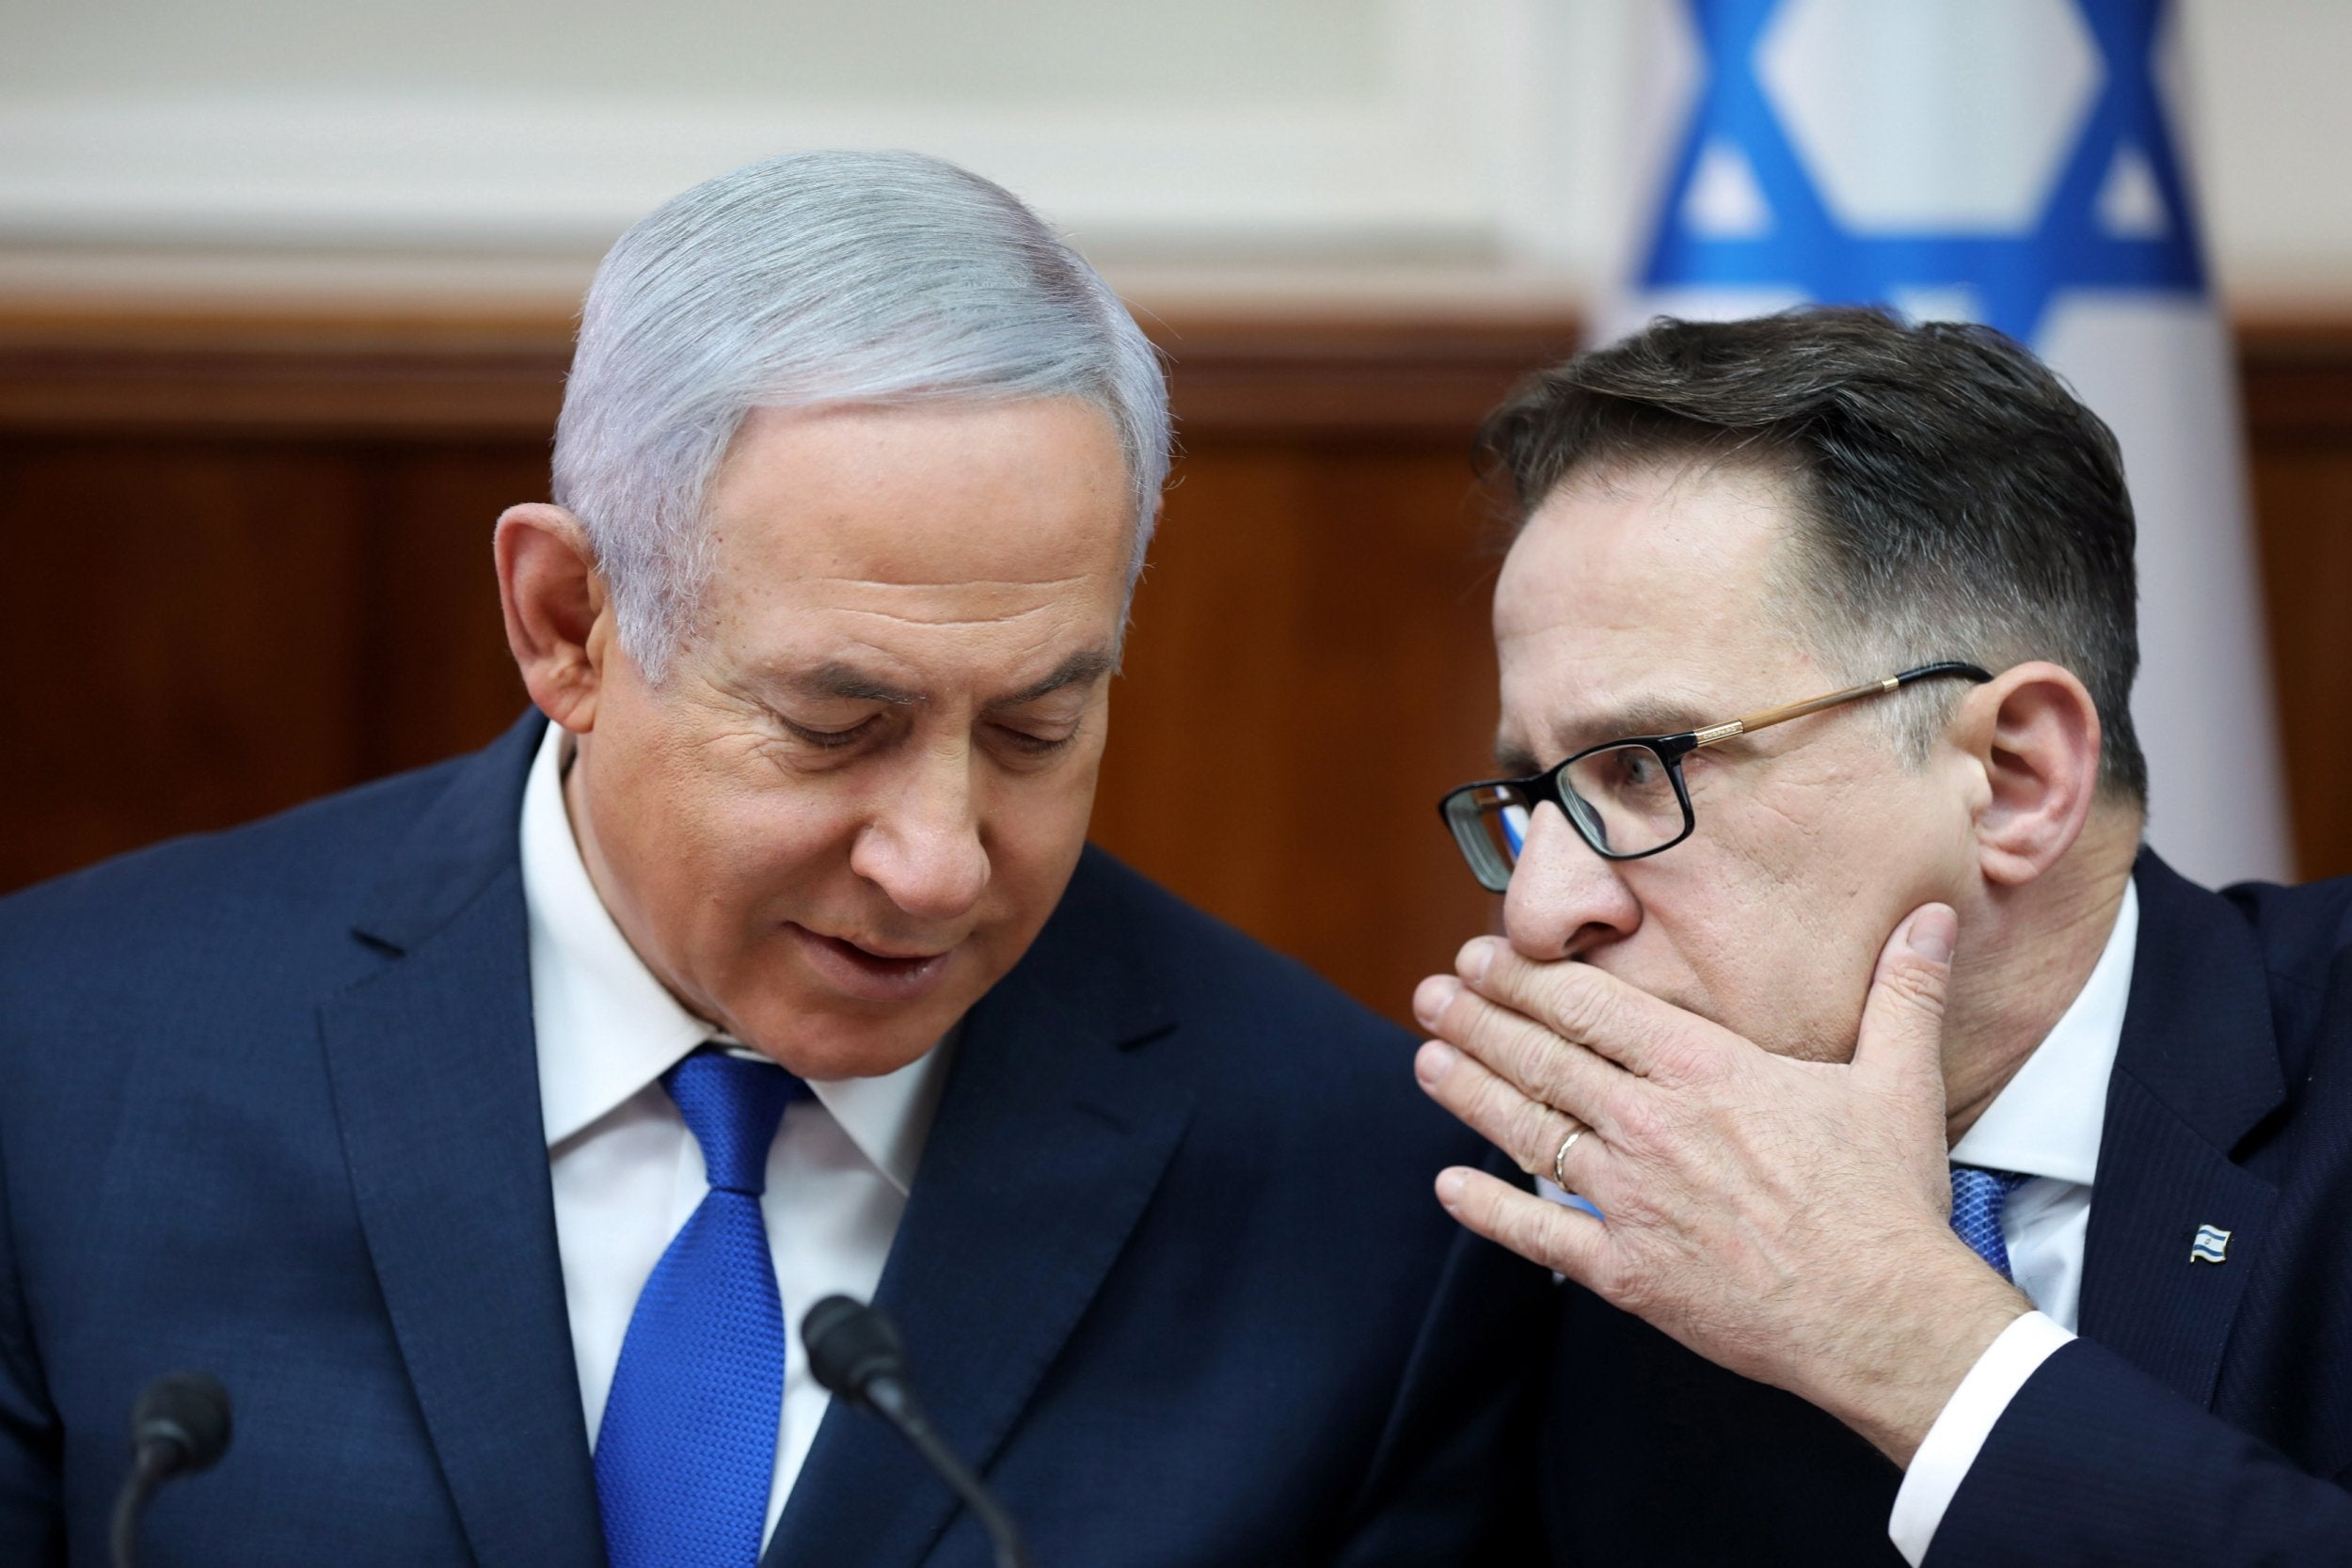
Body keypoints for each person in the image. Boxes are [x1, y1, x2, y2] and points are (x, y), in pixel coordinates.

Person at [0, 151, 1549, 1566]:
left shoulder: (1362, 1205)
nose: (939, 865)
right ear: (566, 624)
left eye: (1034, 730)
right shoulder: (64, 1070)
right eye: (836, 723)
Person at [1412, 307, 2352, 1566]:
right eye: (1538, 796)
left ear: (2014, 780)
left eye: (1640, 769)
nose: (1539, 909)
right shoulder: (1546, 1197)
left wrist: (1900, 1337)